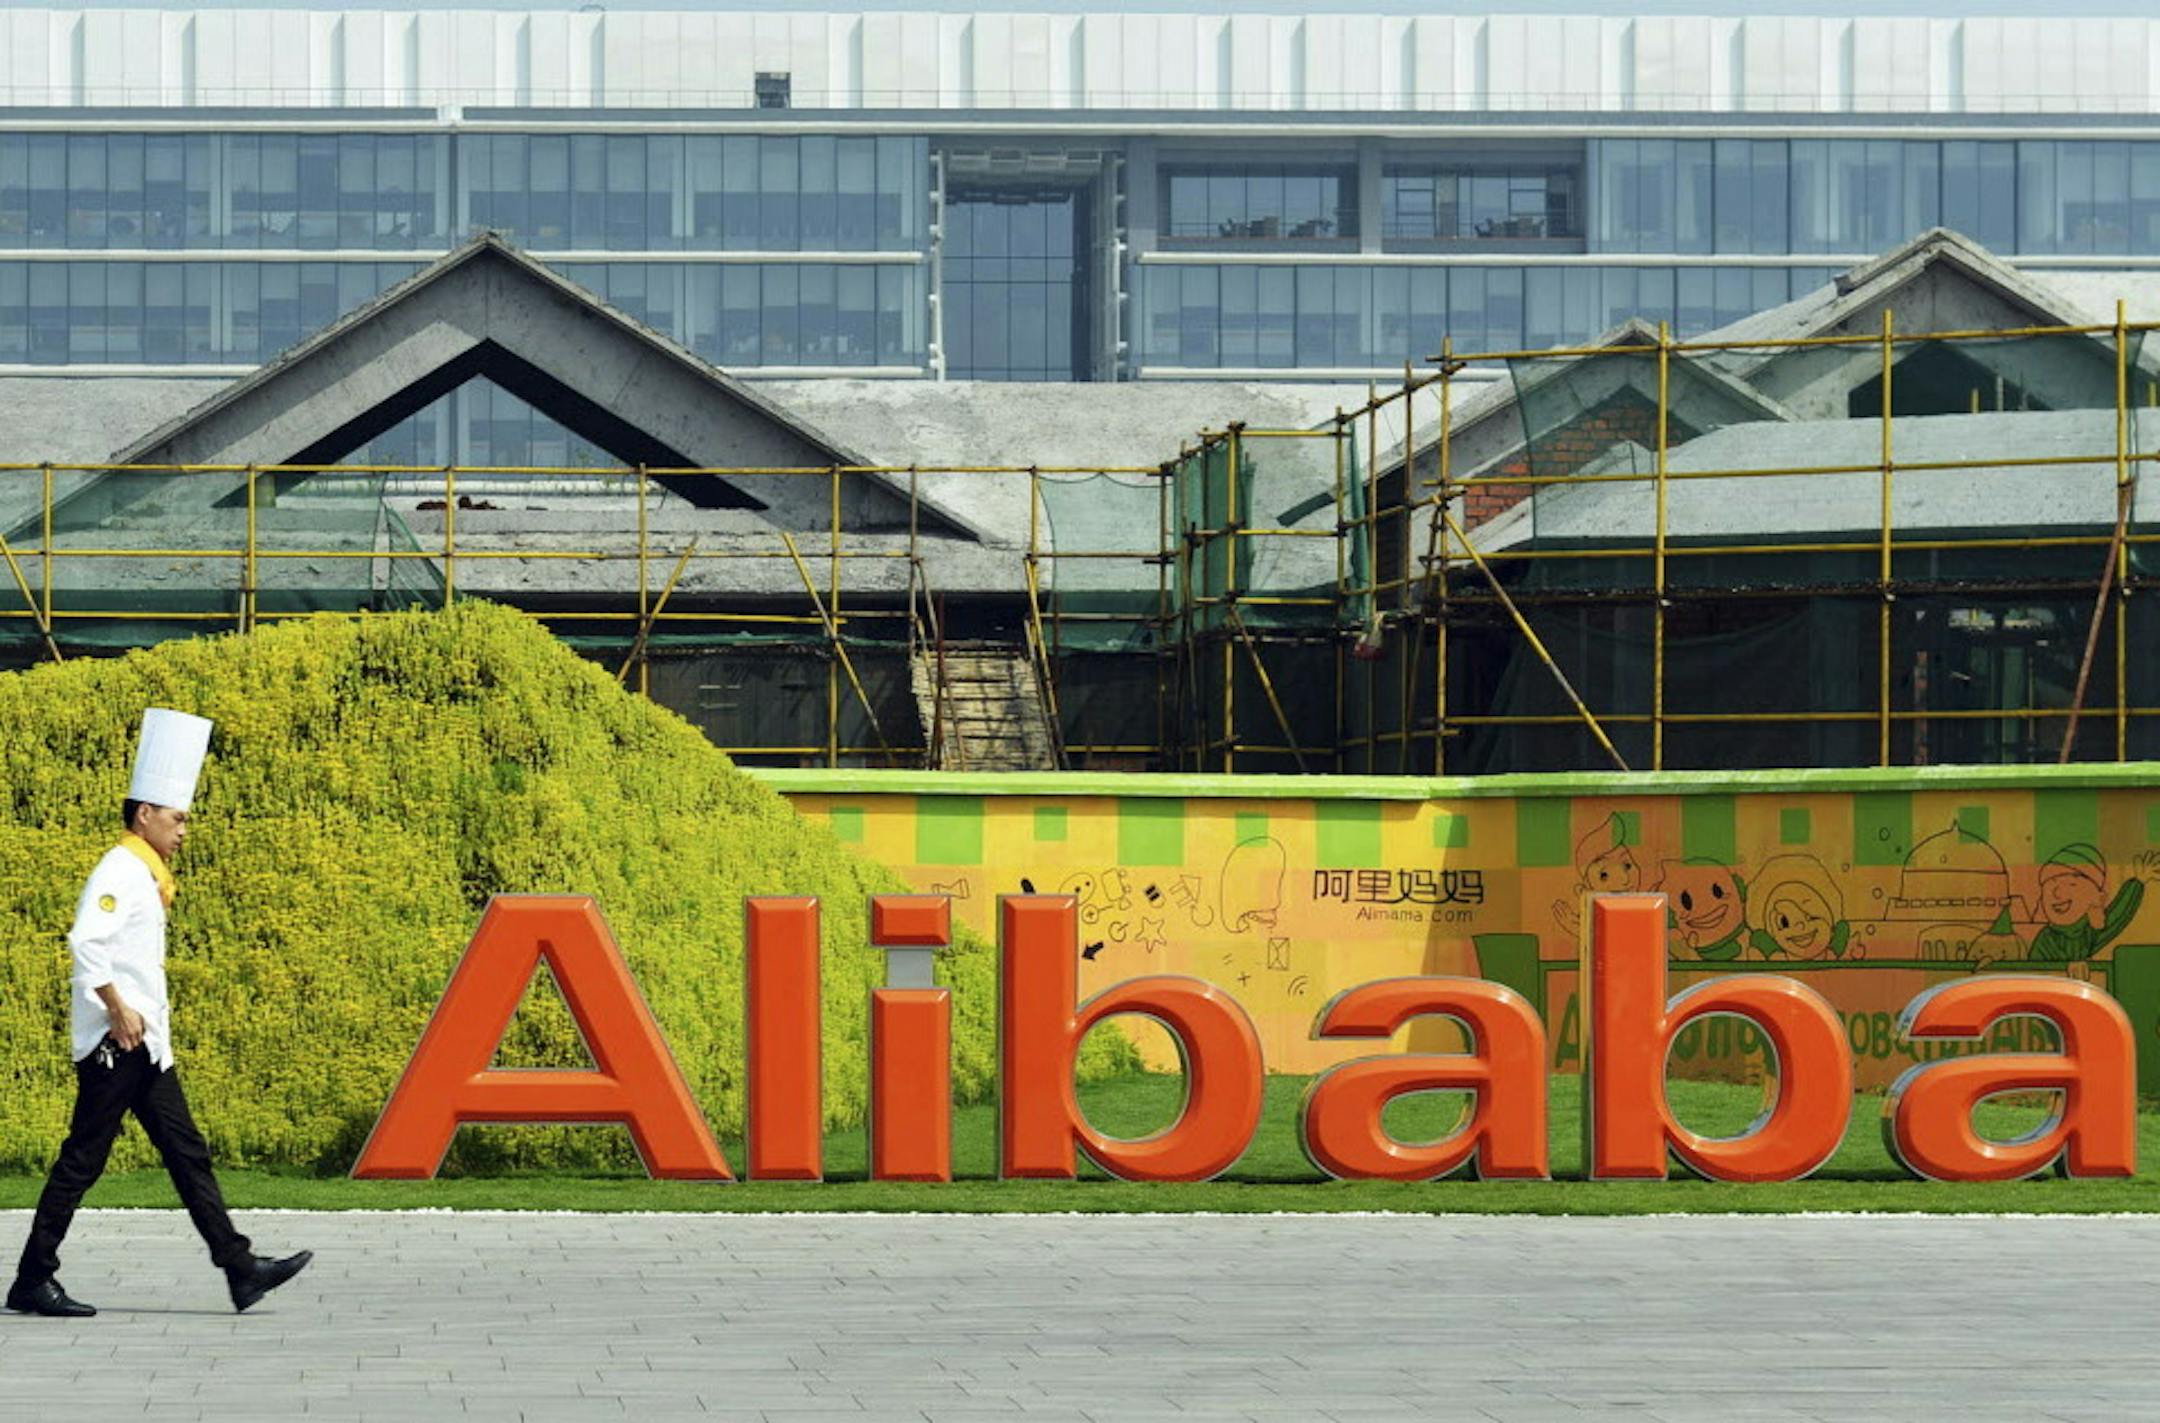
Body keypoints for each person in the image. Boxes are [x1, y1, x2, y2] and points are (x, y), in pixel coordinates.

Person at [7, 708, 312, 1319]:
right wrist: (117, 1010)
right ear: (144, 814)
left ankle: (240, 1267)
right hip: (116, 1044)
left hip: (145, 1046)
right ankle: (33, 1279)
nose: (183, 830)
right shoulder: (120, 870)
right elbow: (87, 943)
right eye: (177, 818)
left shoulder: (146, 874)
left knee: (185, 1151)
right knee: (83, 1160)